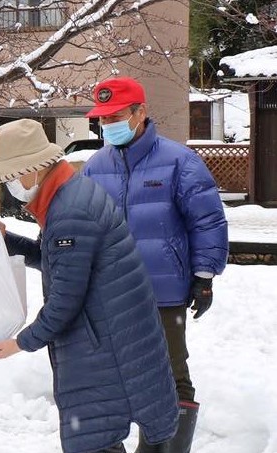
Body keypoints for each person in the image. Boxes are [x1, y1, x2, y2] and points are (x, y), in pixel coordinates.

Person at [0, 118, 179, 453]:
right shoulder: (69, 195)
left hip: (104, 348)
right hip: (114, 337)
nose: (11, 185)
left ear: (33, 168)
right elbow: (61, 264)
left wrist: (20, 343)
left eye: (12, 176)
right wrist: (7, 239)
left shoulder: (69, 212)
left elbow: (64, 303)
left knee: (97, 440)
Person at [82, 77, 229, 453]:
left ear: (140, 113)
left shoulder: (179, 161)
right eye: (102, 119)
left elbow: (208, 221)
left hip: (163, 292)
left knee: (170, 375)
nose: (107, 125)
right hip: (110, 293)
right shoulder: (94, 167)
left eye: (116, 116)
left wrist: (204, 276)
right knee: (108, 376)